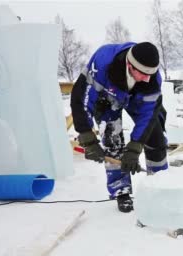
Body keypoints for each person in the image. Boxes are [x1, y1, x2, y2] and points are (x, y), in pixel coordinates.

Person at [71, 42, 168, 213]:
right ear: (130, 65)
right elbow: (81, 100)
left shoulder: (151, 79)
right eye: (144, 74)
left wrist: (134, 148)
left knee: (155, 138)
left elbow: (147, 115)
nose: (147, 78)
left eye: (151, 74)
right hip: (106, 98)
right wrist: (88, 139)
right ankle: (121, 190)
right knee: (112, 139)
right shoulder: (102, 63)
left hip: (136, 98)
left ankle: (160, 185)